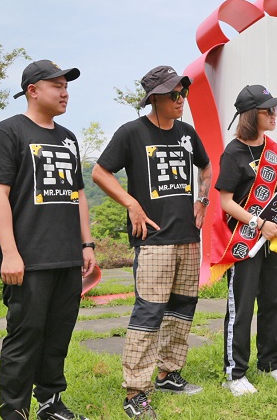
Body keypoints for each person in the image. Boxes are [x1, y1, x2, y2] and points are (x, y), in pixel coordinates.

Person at [92, 65, 211, 418]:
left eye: (183, 93)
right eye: (174, 95)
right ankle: (135, 392)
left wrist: (202, 201)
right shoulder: (132, 133)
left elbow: (206, 167)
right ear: (154, 99)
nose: (181, 100)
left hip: (188, 237)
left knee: (181, 310)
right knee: (149, 314)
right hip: (154, 239)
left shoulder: (187, 133)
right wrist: (131, 204)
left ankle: (169, 373)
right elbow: (100, 172)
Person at [0, 59, 96, 420]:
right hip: (29, 257)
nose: (64, 93)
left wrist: (87, 244)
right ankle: (14, 411)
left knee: (58, 334)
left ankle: (50, 403)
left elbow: (78, 194)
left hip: (67, 256)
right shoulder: (8, 132)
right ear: (33, 90)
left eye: (66, 86)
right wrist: (10, 254)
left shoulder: (68, 137)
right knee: (24, 335)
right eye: (56, 86)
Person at [214, 84, 277, 397]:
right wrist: (257, 222)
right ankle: (235, 373)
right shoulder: (233, 152)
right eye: (268, 110)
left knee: (274, 300)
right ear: (251, 115)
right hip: (244, 241)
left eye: (275, 108)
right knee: (242, 306)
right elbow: (226, 201)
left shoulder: (274, 150)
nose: (275, 114)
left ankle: (271, 363)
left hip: (274, 239)